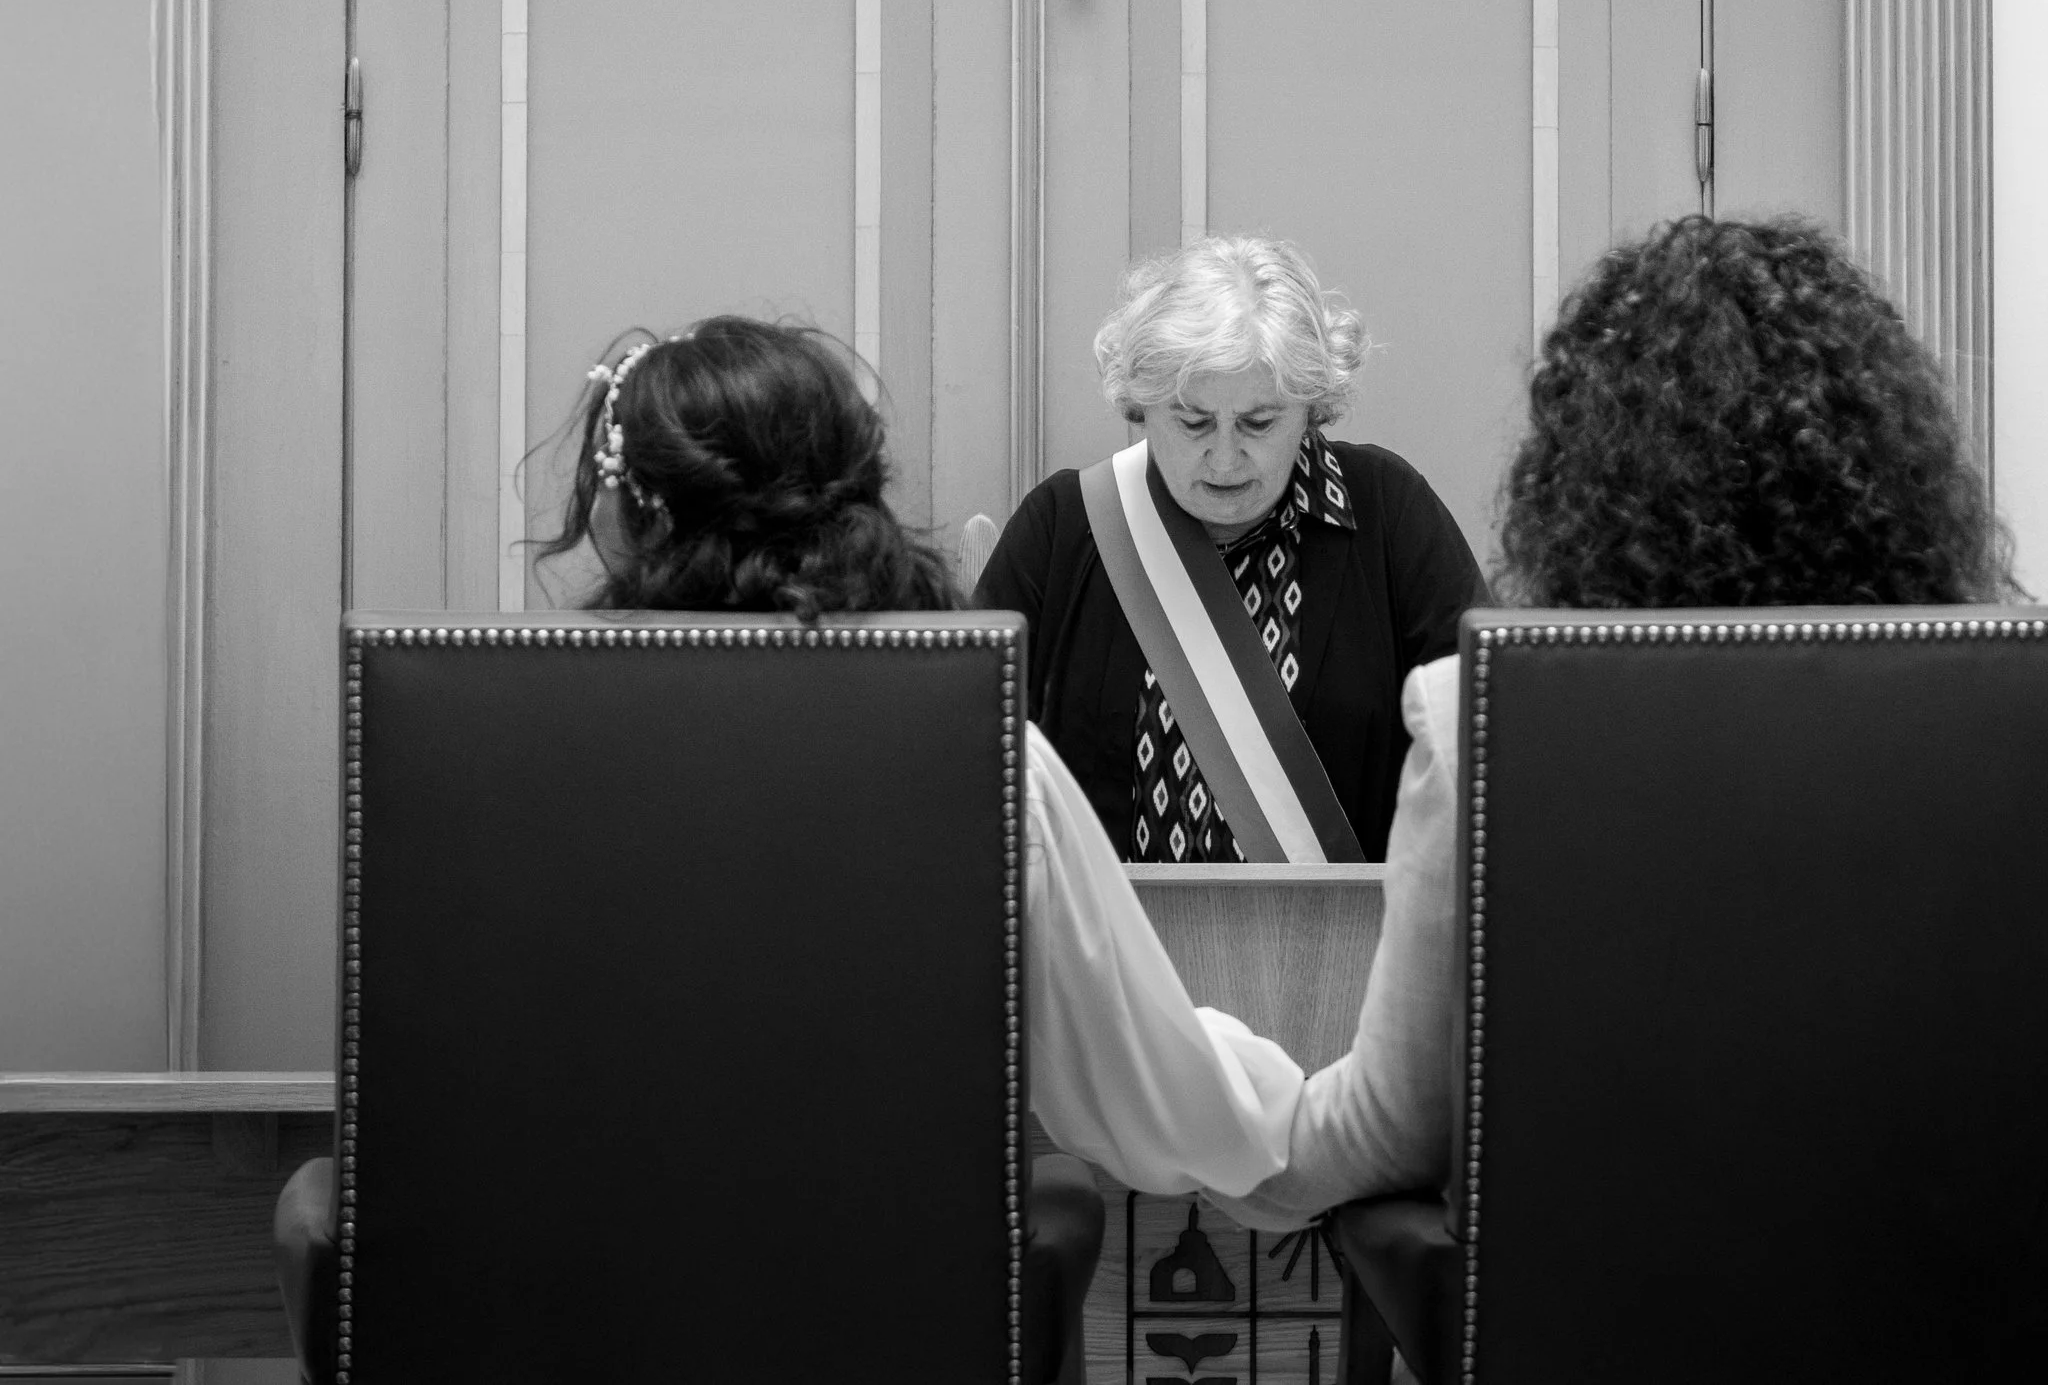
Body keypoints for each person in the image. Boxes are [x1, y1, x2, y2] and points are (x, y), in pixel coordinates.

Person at [272, 316, 1304, 1381]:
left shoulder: (449, 756)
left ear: (625, 516)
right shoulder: (992, 761)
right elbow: (1151, 1098)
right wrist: (1326, 1109)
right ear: (858, 495)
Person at [1191, 215, 2048, 1231]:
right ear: (1896, 458)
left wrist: (1222, 1122)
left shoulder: (1483, 718)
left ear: (1585, 479)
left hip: (1609, 1304)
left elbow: (1397, 1127)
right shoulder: (2024, 698)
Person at [976, 237, 1486, 865]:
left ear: (1311, 408)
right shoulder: (1065, 526)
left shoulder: (1387, 512)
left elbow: (1482, 742)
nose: (1223, 458)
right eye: (1192, 423)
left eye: (1259, 422)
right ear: (1141, 405)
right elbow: (967, 750)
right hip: (1113, 955)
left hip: (1338, 951)